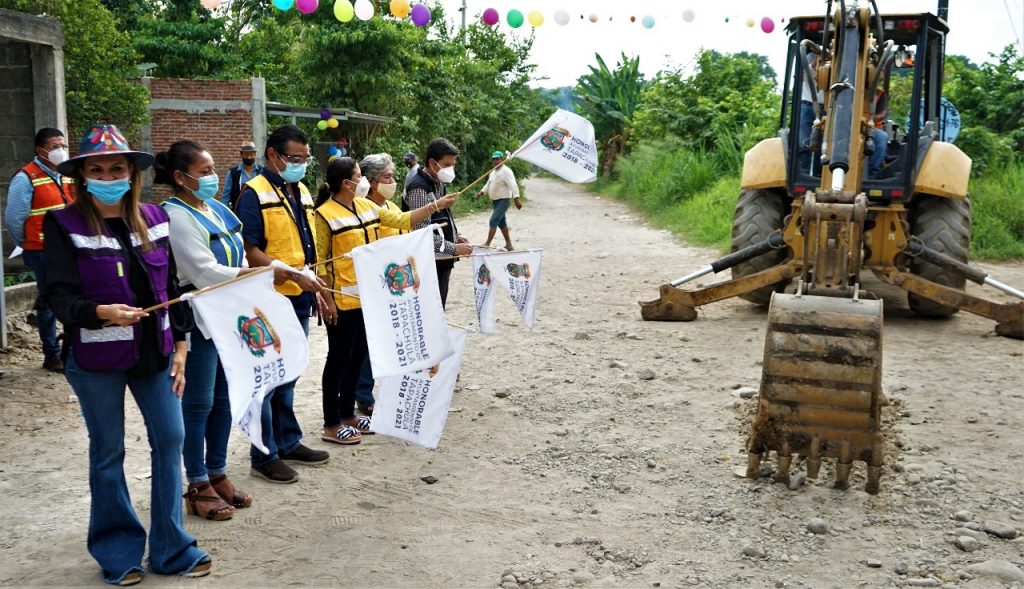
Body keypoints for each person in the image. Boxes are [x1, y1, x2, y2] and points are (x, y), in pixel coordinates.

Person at [44, 124, 210, 585]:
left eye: (116, 167)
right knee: (109, 451)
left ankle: (171, 547)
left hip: (154, 355)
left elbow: (173, 288)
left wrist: (181, 345)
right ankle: (118, 552)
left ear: (132, 173)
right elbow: (56, 295)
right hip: (95, 359)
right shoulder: (63, 224)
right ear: (82, 175)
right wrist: (98, 312)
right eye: (96, 169)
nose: (107, 175)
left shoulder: (156, 217)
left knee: (171, 439)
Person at [315, 156, 457, 443]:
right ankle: (331, 423)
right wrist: (325, 299)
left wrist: (435, 207)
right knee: (338, 360)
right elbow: (319, 262)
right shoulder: (324, 215)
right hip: (341, 301)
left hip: (367, 299)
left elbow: (401, 219)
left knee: (356, 358)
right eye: (359, 175)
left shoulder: (366, 205)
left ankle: (348, 414)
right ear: (347, 183)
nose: (364, 181)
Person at [234, 124, 330, 484]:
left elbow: (306, 246)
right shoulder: (253, 193)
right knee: (268, 379)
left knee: (289, 373)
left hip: (300, 294)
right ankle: (263, 454)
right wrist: (290, 274)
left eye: (305, 159)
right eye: (295, 158)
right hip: (269, 297)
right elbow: (250, 250)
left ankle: (288, 441)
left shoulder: (300, 189)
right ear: (272, 155)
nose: (301, 165)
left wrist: (314, 286)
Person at [4, 127, 76, 372]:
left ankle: (71, 349)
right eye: (55, 147)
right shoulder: (26, 178)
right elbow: (14, 219)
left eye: (63, 145)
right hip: (41, 250)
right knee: (48, 300)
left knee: (72, 296)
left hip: (70, 249)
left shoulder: (67, 175)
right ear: (40, 151)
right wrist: (26, 245)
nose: (61, 151)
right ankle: (51, 354)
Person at [351, 153, 405, 415]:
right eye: (387, 177)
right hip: (374, 285)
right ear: (372, 182)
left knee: (386, 341)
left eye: (392, 176)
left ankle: (373, 389)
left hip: (396, 285)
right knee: (367, 343)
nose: (392, 181)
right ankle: (362, 394)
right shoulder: (363, 209)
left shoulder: (393, 208)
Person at [404, 138, 471, 307]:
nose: (450, 169)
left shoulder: (439, 182)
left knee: (440, 307)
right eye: (447, 165)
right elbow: (421, 234)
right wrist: (453, 248)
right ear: (433, 163)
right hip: (428, 262)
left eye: (452, 164)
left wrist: (456, 236)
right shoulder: (419, 189)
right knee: (431, 309)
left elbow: (444, 215)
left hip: (442, 259)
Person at [475, 150, 522, 250]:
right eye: (493, 159)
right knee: (502, 223)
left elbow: (513, 185)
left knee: (493, 220)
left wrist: (516, 199)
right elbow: (488, 184)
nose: (495, 161)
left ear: (502, 160)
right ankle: (509, 245)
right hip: (495, 201)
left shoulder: (506, 171)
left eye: (497, 159)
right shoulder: (492, 172)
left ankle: (487, 243)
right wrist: (481, 193)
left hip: (503, 200)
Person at [220, 141, 263, 209]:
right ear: (241, 154)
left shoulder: (262, 171)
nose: (249, 157)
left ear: (255, 154)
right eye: (246, 154)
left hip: (259, 210)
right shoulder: (233, 173)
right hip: (238, 211)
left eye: (252, 154)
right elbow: (226, 197)